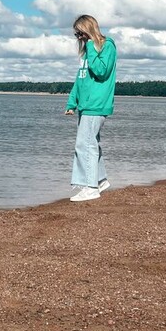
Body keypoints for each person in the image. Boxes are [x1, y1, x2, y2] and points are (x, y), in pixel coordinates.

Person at [64, 14, 117, 202]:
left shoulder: (107, 46)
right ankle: (100, 180)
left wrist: (91, 47)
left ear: (88, 29)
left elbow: (101, 71)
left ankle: (90, 188)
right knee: (90, 143)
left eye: (81, 33)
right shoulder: (88, 51)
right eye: (76, 35)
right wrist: (72, 103)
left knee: (85, 145)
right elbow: (80, 80)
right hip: (86, 106)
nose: (79, 38)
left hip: (96, 105)